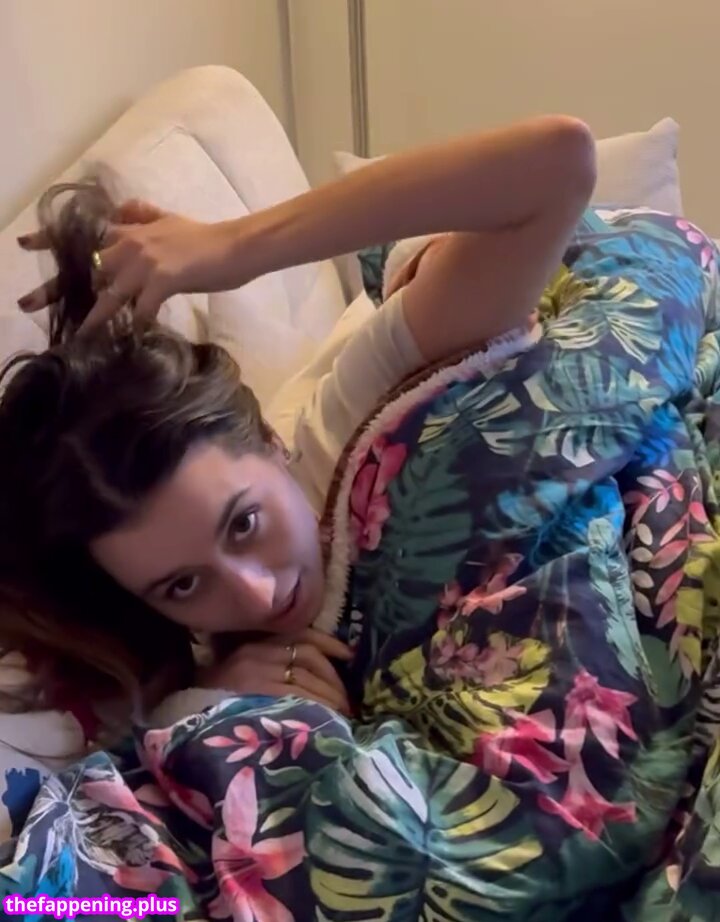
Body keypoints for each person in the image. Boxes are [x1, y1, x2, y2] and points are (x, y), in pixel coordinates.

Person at [1, 115, 596, 733]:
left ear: (270, 441)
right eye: (182, 586)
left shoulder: (346, 418)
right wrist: (208, 702)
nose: (258, 594)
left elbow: (557, 165)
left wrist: (235, 247)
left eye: (244, 524)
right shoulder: (178, 668)